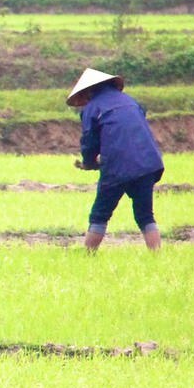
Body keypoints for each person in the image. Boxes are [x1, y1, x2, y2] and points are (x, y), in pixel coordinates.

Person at [69, 68, 164, 253]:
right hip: (147, 163)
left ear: (88, 91)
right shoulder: (130, 101)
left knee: (99, 215)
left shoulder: (92, 108)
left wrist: (88, 162)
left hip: (117, 167)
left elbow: (89, 141)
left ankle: (86, 258)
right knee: (145, 215)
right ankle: (157, 257)